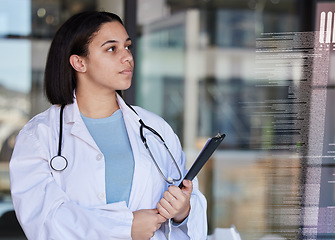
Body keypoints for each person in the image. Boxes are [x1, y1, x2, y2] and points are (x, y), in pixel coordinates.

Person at [9, 11, 207, 240]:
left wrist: (183, 211)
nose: (128, 57)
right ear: (79, 62)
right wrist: (125, 228)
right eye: (112, 49)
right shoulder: (39, 135)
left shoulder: (155, 129)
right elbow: (44, 221)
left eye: (128, 46)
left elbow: (191, 206)